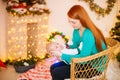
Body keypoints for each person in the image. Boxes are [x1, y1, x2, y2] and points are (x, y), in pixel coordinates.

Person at [50, 5, 107, 80]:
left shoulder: (89, 34)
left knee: (57, 72)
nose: (71, 25)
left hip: (94, 66)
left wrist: (62, 55)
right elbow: (74, 46)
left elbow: (83, 58)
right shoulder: (76, 30)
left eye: (73, 22)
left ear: (82, 19)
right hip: (85, 60)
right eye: (69, 22)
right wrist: (62, 48)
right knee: (53, 67)